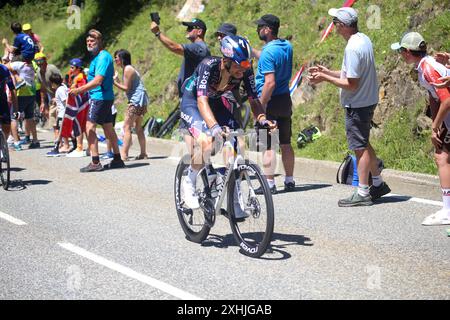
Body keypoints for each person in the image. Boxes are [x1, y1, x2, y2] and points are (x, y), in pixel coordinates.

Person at [179, 35, 276, 216]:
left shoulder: (245, 70)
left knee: (238, 145)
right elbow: (201, 101)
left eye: (247, 64)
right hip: (193, 101)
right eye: (240, 64)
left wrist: (262, 118)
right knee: (208, 142)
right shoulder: (209, 66)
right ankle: (189, 181)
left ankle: (232, 197)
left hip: (216, 102)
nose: (244, 68)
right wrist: (214, 128)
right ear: (226, 61)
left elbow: (254, 99)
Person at [308, 7, 390, 207]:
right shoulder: (363, 39)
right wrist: (329, 71)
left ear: (342, 26)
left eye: (335, 23)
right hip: (367, 100)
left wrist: (324, 77)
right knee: (364, 142)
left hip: (357, 104)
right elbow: (351, 74)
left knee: (359, 148)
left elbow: (351, 84)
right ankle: (378, 183)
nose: (333, 27)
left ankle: (362, 192)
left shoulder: (352, 48)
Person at [391, 32, 450, 225]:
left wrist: (434, 127)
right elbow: (434, 97)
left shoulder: (427, 68)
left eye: (400, 51)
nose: (400, 55)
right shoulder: (425, 65)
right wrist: (438, 122)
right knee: (442, 155)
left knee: (442, 157)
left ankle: (448, 211)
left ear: (407, 52)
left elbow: (447, 99)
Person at [69, 29, 125, 172]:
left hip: (99, 98)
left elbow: (98, 80)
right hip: (104, 97)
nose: (89, 43)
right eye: (88, 41)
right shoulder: (98, 58)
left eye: (92, 41)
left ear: (99, 42)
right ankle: (117, 159)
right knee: (108, 127)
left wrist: (79, 90)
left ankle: (95, 162)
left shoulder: (102, 57)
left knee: (89, 127)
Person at [253, 14, 295, 194]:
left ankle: (269, 184)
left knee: (267, 144)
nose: (258, 30)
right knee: (285, 142)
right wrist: (252, 51)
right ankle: (290, 180)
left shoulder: (269, 52)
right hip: (285, 99)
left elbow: (269, 82)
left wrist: (260, 106)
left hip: (269, 101)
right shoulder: (286, 46)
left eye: (260, 27)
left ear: (267, 29)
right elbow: (269, 56)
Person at [150, 18, 211, 98]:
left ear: (199, 31)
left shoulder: (198, 47)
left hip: (192, 98)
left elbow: (174, 47)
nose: (187, 30)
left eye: (190, 28)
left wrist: (158, 33)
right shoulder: (200, 48)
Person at [113, 49, 149, 161]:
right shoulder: (127, 69)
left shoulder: (128, 69)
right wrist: (117, 80)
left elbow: (126, 88)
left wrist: (113, 82)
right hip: (142, 100)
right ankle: (143, 153)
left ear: (122, 59)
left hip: (136, 101)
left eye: (117, 58)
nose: (115, 60)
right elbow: (126, 87)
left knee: (126, 127)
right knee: (138, 127)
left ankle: (124, 155)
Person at [7, 58, 40, 149]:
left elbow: (5, 67)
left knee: (14, 117)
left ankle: (17, 143)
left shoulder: (19, 64)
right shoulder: (32, 63)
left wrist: (14, 72)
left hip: (21, 93)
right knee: (29, 117)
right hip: (32, 93)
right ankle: (35, 141)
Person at [66, 58, 89, 158]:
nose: (70, 69)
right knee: (84, 126)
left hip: (80, 106)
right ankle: (90, 148)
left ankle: (79, 148)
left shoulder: (80, 78)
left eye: (72, 67)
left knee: (79, 125)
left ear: (78, 68)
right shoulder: (79, 76)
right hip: (84, 105)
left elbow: (80, 91)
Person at [47, 73, 71, 156]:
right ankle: (64, 145)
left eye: (51, 83)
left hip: (63, 114)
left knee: (59, 130)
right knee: (61, 130)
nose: (50, 85)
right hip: (62, 113)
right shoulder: (63, 87)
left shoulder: (60, 90)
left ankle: (62, 146)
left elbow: (66, 101)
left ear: (54, 82)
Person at [35, 52, 62, 124]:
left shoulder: (51, 68)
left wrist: (59, 96)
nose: (39, 63)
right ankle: (57, 133)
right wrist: (43, 102)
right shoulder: (38, 72)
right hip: (52, 97)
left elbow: (61, 81)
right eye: (37, 61)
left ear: (45, 60)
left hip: (61, 97)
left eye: (40, 60)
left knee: (61, 119)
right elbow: (43, 88)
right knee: (53, 119)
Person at [0, 62, 18, 142]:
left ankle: (3, 144)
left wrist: (16, 109)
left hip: (2, 99)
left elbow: (12, 88)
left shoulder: (4, 69)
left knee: (7, 125)